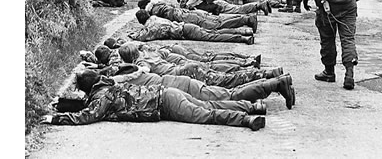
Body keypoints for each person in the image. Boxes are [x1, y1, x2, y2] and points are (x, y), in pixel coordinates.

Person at [40, 69, 267, 131]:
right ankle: (252, 106)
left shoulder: (102, 97)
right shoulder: (107, 85)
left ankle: (246, 119)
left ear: (87, 88)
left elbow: (87, 115)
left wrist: (55, 119)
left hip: (166, 104)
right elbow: (88, 104)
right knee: (210, 104)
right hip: (167, 93)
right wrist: (62, 103)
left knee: (207, 115)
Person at [111, 67, 295, 110]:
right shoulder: (134, 70)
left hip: (183, 88)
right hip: (182, 83)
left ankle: (276, 84)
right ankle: (278, 80)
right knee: (229, 92)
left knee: (230, 95)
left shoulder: (117, 82)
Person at [119, 42, 283, 89]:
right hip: (185, 68)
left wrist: (132, 69)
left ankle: (266, 76)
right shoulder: (148, 53)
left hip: (184, 73)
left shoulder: (140, 63)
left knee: (226, 81)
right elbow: (164, 52)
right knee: (222, 75)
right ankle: (266, 73)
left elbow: (145, 71)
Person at [103, 37, 261, 67]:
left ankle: (245, 62)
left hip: (168, 59)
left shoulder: (120, 55)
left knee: (206, 64)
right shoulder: (131, 43)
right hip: (170, 50)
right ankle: (245, 58)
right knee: (208, 58)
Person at [132, 10, 255, 44]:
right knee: (215, 31)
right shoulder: (154, 18)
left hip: (185, 32)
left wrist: (132, 34)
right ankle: (244, 31)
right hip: (186, 26)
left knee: (213, 36)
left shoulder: (151, 27)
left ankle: (242, 38)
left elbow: (143, 37)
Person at [138, 0, 258, 32]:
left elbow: (168, 21)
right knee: (217, 20)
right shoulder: (160, 5)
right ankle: (246, 18)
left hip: (187, 18)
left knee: (216, 25)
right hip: (189, 14)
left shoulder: (155, 12)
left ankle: (247, 19)